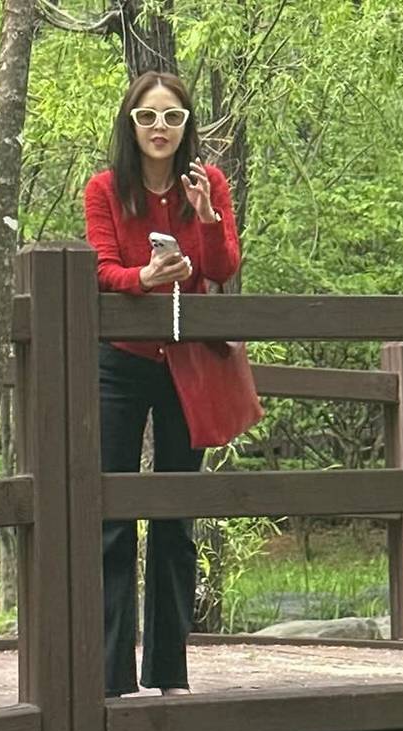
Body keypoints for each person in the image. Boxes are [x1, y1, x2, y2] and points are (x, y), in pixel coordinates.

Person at [84, 70, 240, 698]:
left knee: (176, 513)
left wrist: (206, 217)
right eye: (147, 116)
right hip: (120, 362)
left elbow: (222, 268)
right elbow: (101, 270)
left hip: (187, 362)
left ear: (186, 125)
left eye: (172, 117)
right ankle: (111, 676)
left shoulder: (208, 183)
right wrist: (143, 278)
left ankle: (170, 673)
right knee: (113, 516)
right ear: (131, 124)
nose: (160, 128)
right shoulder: (105, 188)